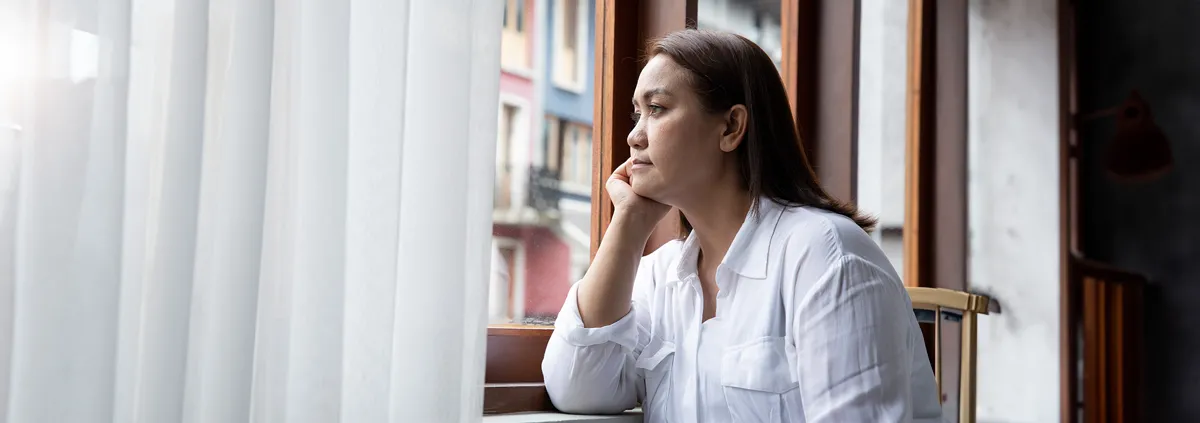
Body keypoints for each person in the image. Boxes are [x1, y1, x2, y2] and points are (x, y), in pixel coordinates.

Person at [541, 29, 942, 422]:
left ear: (731, 127)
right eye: (636, 114)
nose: (633, 136)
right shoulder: (661, 276)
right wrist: (628, 224)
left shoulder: (826, 257)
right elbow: (578, 387)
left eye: (657, 109)